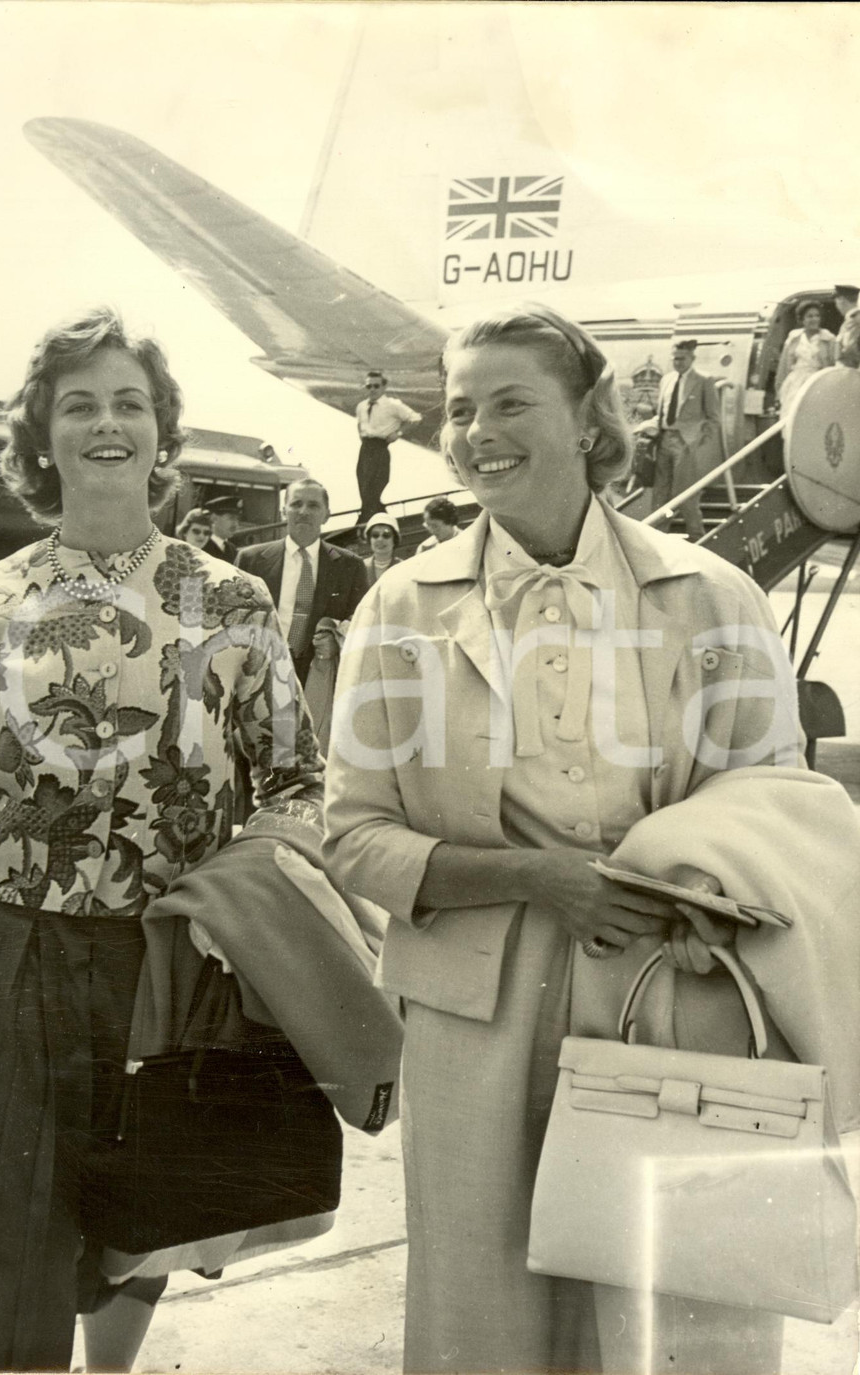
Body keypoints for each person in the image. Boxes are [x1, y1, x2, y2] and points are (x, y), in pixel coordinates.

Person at [323, 304, 859, 1375]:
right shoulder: (397, 608)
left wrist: (710, 893)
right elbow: (353, 838)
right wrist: (539, 878)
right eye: (461, 409)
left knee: (675, 1319)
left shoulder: (715, 596)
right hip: (476, 1012)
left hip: (672, 991)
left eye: (511, 402)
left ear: (588, 419)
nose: (478, 432)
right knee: (488, 1322)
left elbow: (777, 799)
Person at [0, 308, 324, 1373]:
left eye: (130, 403)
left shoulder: (234, 599)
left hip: (167, 964)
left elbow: (299, 781)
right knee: (3, 1254)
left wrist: (230, 903)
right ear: (41, 436)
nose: (108, 422)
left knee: (139, 1222)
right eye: (80, 404)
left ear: (162, 433)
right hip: (5, 955)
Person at [235, 477, 368, 683]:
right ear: (283, 511)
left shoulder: (350, 565)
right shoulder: (251, 560)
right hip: (258, 671)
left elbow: (360, 621)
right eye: (296, 504)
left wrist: (337, 639)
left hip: (318, 676)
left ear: (326, 515)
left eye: (313, 505)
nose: (304, 511)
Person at [650, 338, 721, 540]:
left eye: (682, 358)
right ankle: (658, 538)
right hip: (664, 440)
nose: (678, 362)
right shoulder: (667, 380)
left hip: (686, 443)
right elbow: (662, 412)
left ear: (692, 358)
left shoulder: (704, 381)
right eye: (675, 358)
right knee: (660, 494)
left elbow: (714, 418)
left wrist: (698, 442)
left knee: (685, 495)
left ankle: (697, 537)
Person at [355, 369, 422, 525]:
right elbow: (360, 423)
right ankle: (379, 519)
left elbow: (415, 418)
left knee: (375, 487)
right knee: (364, 487)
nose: (372, 389)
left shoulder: (392, 404)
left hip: (380, 447)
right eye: (369, 386)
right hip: (365, 448)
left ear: (383, 387)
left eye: (376, 386)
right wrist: (362, 435)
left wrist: (398, 433)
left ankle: (367, 521)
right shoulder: (361, 406)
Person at [775, 299, 837, 411]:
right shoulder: (794, 338)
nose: (814, 319)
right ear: (802, 319)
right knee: (792, 412)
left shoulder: (828, 339)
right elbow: (783, 367)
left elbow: (834, 365)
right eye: (810, 316)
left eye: (817, 316)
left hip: (818, 382)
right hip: (795, 382)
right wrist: (779, 390)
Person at [362, 512, 403, 585]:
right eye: (375, 535)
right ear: (369, 539)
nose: (380, 539)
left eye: (386, 535)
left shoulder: (403, 567)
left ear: (394, 539)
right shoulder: (361, 568)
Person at [203, 493, 242, 562]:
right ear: (214, 518)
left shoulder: (232, 549)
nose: (236, 524)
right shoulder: (202, 545)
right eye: (231, 518)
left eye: (237, 519)